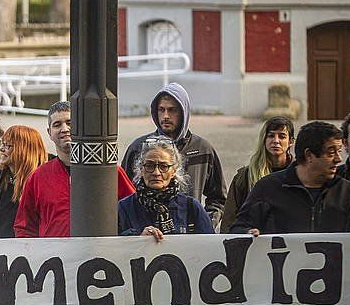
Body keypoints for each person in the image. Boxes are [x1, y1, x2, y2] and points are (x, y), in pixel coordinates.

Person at [14, 101, 136, 238]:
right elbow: (24, 228)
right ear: (49, 132)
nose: (64, 129)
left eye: (70, 122)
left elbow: (134, 213)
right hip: (55, 257)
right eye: (57, 124)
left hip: (100, 256)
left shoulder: (110, 173)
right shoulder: (38, 177)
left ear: (82, 126)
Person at [120, 83, 224, 226]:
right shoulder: (139, 148)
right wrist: (134, 230)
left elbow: (218, 198)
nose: (166, 116)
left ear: (184, 112)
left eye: (172, 110)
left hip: (188, 236)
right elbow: (122, 194)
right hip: (145, 235)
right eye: (161, 110)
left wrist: (204, 222)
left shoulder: (203, 149)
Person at [119, 138, 215, 239]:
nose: (156, 173)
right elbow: (111, 246)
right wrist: (138, 239)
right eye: (149, 166)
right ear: (141, 169)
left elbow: (209, 246)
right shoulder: (124, 208)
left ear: (174, 170)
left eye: (163, 166)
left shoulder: (191, 208)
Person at [219, 116, 295, 233]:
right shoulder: (245, 176)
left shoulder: (299, 175)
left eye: (282, 136)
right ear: (264, 139)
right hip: (255, 243)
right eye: (271, 135)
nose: (276, 140)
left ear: (290, 142)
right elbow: (229, 220)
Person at [0, 125, 45, 239]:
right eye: (2, 144)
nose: (2, 149)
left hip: (27, 251)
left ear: (25, 149)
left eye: (8, 146)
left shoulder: (41, 183)